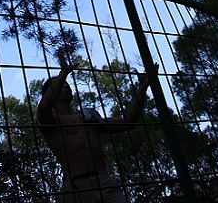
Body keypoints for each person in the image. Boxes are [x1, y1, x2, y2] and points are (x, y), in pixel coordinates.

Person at [37, 50, 158, 203]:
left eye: (67, 84)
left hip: (105, 182)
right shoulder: (50, 122)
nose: (66, 87)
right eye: (61, 85)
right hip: (76, 187)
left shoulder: (88, 118)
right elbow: (43, 107)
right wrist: (63, 73)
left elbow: (129, 122)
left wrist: (143, 87)